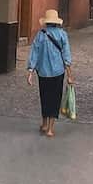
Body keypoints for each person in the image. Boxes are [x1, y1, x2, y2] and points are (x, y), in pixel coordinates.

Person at [26, 9, 74, 139]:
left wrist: (30, 71)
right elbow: (66, 56)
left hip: (43, 72)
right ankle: (50, 129)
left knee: (45, 97)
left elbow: (34, 53)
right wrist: (70, 75)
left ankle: (44, 124)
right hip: (58, 72)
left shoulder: (40, 35)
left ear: (46, 22)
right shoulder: (62, 35)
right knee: (55, 99)